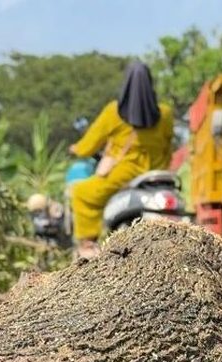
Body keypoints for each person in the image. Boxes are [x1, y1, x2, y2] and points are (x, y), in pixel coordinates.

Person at [69, 62, 175, 257]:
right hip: (158, 174)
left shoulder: (113, 112)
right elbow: (168, 146)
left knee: (81, 193)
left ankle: (88, 244)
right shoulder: (165, 114)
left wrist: (78, 149)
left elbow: (90, 144)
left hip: (125, 174)